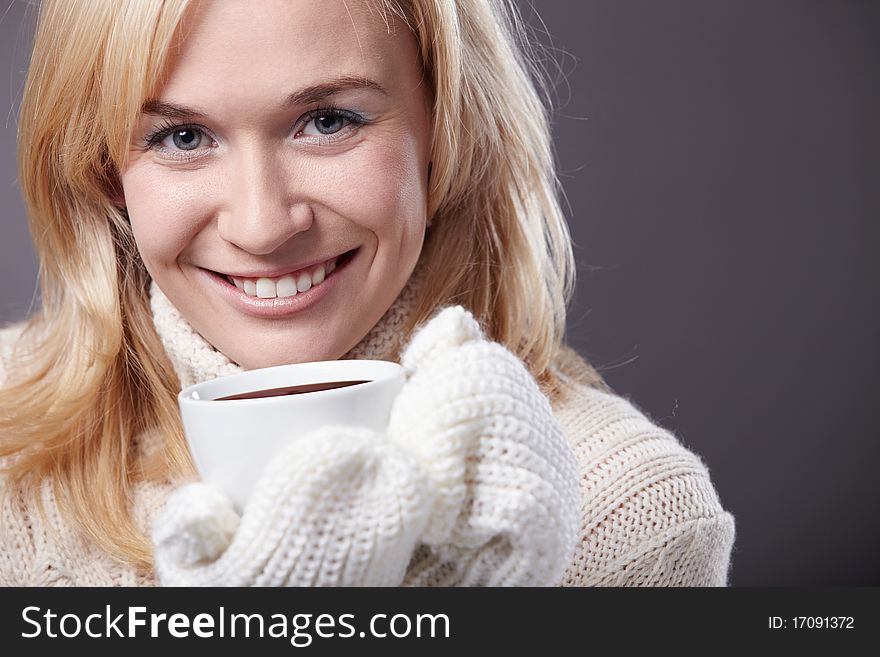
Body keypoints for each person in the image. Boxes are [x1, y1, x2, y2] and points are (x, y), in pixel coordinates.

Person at [0, 0, 735, 586]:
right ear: (103, 170)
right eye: (183, 138)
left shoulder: (630, 519)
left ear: (446, 128)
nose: (261, 226)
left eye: (327, 121)